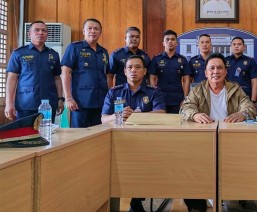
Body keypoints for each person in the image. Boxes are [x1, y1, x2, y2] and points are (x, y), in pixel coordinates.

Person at [181, 52, 256, 212]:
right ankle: (197, 205)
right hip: (203, 141)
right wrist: (195, 114)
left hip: (231, 142)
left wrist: (242, 114)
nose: (216, 71)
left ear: (225, 72)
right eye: (212, 68)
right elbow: (185, 107)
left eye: (220, 68)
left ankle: (235, 198)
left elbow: (249, 107)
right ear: (206, 72)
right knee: (189, 166)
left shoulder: (235, 89)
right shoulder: (197, 90)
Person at [102, 55, 165, 212]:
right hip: (119, 143)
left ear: (144, 71)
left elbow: (161, 113)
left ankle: (137, 202)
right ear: (124, 71)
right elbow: (103, 118)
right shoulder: (114, 92)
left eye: (137, 67)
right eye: (129, 67)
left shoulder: (153, 92)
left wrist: (134, 116)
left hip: (147, 143)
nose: (133, 70)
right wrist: (118, 116)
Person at [5, 21, 64, 122]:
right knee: (25, 135)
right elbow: (11, 79)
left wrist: (60, 99)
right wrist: (9, 103)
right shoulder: (19, 53)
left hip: (48, 104)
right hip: (26, 104)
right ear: (29, 34)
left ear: (47, 34)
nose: (40, 33)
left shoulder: (53, 54)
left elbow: (57, 78)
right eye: (36, 30)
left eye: (44, 31)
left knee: (47, 135)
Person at [61, 18, 111, 128]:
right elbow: (65, 72)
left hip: (100, 101)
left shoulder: (104, 52)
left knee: (99, 134)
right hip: (80, 102)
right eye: (89, 28)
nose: (93, 31)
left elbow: (107, 76)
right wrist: (68, 98)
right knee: (78, 135)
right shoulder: (74, 48)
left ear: (100, 32)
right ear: (84, 31)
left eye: (96, 29)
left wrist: (109, 98)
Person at [148, 30, 191, 114]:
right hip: (160, 98)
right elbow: (152, 78)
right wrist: (154, 95)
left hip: (177, 98)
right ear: (163, 43)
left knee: (177, 123)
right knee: (160, 123)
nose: (170, 41)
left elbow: (186, 80)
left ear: (177, 43)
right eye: (167, 39)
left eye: (172, 39)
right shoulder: (157, 59)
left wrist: (185, 99)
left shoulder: (182, 60)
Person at [225, 36, 257, 103]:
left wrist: (253, 100)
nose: (236, 46)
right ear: (231, 47)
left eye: (239, 44)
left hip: (244, 96)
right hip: (228, 95)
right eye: (234, 44)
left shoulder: (250, 61)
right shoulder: (225, 61)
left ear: (244, 47)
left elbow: (255, 81)